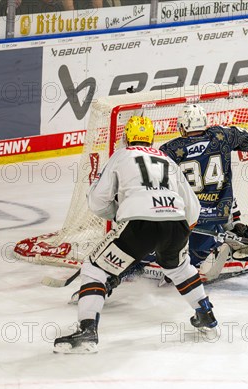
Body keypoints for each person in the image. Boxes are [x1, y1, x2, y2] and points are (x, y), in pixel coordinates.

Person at [54, 116, 216, 354]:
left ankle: (87, 331)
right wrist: (176, 225)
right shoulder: (167, 159)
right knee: (179, 268)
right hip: (176, 222)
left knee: (95, 268)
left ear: (126, 137)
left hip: (138, 221)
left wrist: (121, 215)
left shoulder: (121, 155)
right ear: (151, 138)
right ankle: (206, 316)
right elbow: (193, 209)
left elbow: (98, 201)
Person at [158, 103, 248, 272]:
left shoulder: (170, 149)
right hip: (218, 214)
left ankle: (188, 260)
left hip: (186, 218)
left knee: (167, 250)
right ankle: (229, 234)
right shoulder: (222, 136)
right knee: (224, 191)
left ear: (183, 126)